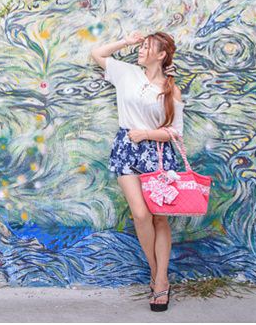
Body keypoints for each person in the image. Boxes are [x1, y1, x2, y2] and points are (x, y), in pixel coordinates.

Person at [90, 30, 183, 312]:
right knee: (141, 215)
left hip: (157, 154)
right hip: (126, 149)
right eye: (140, 46)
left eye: (146, 47)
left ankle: (161, 281)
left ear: (162, 54)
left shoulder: (170, 88)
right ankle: (157, 274)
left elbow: (176, 132)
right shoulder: (126, 73)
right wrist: (126, 42)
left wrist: (147, 134)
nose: (140, 50)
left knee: (159, 220)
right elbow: (97, 54)